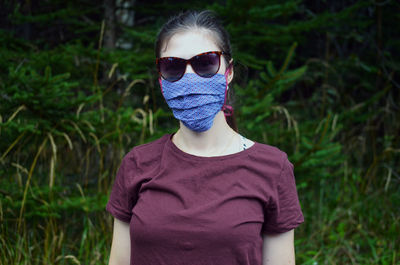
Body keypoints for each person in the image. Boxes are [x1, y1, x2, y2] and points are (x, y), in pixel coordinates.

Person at [106, 10, 304, 265]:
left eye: (205, 63)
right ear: (161, 79)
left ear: (228, 72)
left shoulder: (272, 167)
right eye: (173, 66)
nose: (189, 77)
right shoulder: (137, 163)